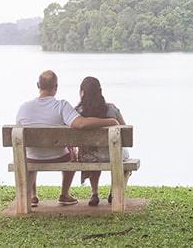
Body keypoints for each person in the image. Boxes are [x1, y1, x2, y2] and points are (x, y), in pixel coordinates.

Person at [15, 70, 119, 207]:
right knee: (72, 152)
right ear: (56, 87)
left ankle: (33, 195)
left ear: (38, 85)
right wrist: (111, 121)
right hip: (57, 157)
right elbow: (81, 123)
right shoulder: (62, 106)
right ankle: (64, 194)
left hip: (30, 158)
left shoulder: (24, 108)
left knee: (30, 151)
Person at [75, 76, 129, 207]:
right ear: (100, 91)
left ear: (82, 92)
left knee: (92, 153)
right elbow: (125, 133)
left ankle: (94, 192)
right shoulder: (112, 109)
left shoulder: (77, 113)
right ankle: (114, 191)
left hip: (88, 157)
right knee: (124, 156)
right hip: (111, 155)